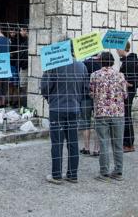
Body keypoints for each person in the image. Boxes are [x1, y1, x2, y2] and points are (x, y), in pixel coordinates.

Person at [40, 41, 88, 184]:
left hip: (57, 109)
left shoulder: (53, 65)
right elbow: (85, 89)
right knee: (73, 142)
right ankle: (73, 174)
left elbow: (45, 87)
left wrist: (50, 99)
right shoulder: (82, 66)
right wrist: (77, 100)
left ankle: (56, 175)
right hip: (74, 108)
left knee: (57, 143)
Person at [90, 51, 128, 182]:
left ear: (100, 61)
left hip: (101, 113)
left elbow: (92, 93)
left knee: (104, 142)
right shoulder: (120, 75)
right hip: (118, 113)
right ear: (112, 62)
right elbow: (125, 95)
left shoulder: (95, 75)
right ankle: (118, 171)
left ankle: (104, 172)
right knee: (118, 143)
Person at [118, 42, 138, 152]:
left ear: (123, 49)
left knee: (126, 117)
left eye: (118, 49)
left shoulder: (130, 62)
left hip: (129, 92)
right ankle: (126, 142)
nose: (117, 51)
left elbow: (133, 83)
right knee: (126, 116)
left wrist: (122, 81)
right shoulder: (127, 61)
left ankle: (128, 144)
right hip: (126, 92)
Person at [80, 55, 102, 156]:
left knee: (85, 121)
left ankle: (86, 147)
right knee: (98, 121)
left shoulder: (83, 64)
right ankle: (97, 149)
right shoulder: (101, 64)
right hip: (98, 96)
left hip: (85, 96)